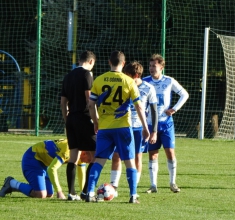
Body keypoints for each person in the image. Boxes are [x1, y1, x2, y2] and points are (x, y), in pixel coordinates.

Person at [86, 51, 150, 204]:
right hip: (123, 127)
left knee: (99, 161)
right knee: (129, 161)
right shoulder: (129, 81)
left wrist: (95, 121)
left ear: (109, 62)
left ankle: (89, 193)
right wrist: (145, 128)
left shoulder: (99, 80)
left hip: (105, 128)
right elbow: (139, 107)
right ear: (123, 63)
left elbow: (91, 104)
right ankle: (133, 195)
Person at [142, 53, 189, 193]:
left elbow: (184, 94)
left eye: (154, 66)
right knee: (153, 154)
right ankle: (153, 185)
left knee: (170, 152)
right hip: (150, 124)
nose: (151, 68)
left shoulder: (169, 81)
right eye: (150, 66)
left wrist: (174, 109)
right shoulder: (145, 81)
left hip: (166, 123)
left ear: (162, 67)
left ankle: (173, 182)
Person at [110, 61, 158, 196]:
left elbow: (153, 111)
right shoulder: (122, 85)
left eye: (128, 75)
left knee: (137, 157)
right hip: (121, 126)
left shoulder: (149, 88)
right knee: (117, 156)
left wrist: (153, 131)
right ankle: (114, 186)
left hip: (138, 129)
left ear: (136, 75)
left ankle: (134, 188)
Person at [60, 50, 97, 201]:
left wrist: (66, 120)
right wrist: (96, 120)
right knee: (95, 155)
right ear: (91, 62)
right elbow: (89, 100)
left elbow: (63, 102)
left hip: (71, 119)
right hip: (84, 118)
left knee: (73, 156)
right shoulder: (87, 74)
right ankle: (86, 191)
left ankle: (71, 193)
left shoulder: (68, 76)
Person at [0, 139, 87, 199]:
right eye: (92, 157)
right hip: (32, 158)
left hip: (43, 163)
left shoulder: (80, 152)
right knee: (41, 194)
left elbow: (81, 174)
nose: (91, 162)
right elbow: (52, 169)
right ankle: (11, 183)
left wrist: (84, 193)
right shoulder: (69, 150)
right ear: (86, 153)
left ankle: (16, 187)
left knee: (49, 194)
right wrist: (59, 192)